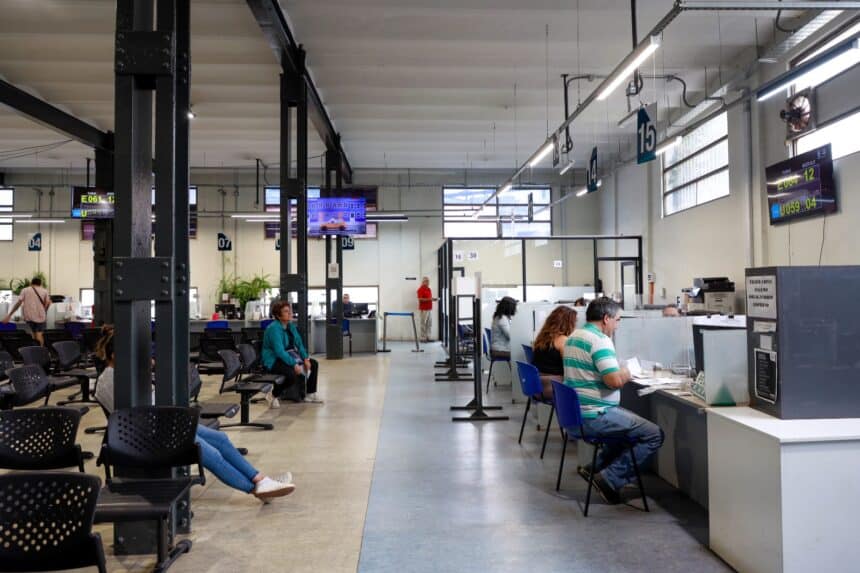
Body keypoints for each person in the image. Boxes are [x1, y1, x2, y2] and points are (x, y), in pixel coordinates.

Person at [94, 332, 295, 501]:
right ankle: (255, 489)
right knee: (211, 454)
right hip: (149, 438)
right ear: (115, 356)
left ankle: (260, 479)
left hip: (161, 425)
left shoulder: (123, 376)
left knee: (220, 438)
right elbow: (136, 414)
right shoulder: (111, 381)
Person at [563, 297, 664, 505]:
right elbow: (614, 381)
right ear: (606, 319)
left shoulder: (574, 336)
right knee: (653, 434)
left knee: (625, 432)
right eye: (617, 320)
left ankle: (595, 469)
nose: (618, 326)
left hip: (576, 415)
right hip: (595, 416)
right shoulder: (599, 340)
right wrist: (629, 370)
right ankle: (609, 479)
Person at [262, 300, 321, 404]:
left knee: (313, 364)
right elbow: (279, 351)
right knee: (291, 374)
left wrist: (305, 358)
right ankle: (273, 394)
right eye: (286, 311)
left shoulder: (290, 326)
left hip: (288, 356)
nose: (290, 313)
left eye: (290, 311)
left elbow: (299, 343)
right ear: (278, 315)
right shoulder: (274, 329)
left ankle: (310, 394)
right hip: (273, 359)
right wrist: (293, 364)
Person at [531, 306, 577, 398]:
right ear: (569, 323)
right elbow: (570, 368)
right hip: (552, 386)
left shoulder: (542, 338)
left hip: (537, 385)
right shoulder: (563, 340)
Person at [2, 277, 51, 346]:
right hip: (41, 317)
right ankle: (40, 350)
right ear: (40, 284)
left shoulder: (25, 290)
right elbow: (48, 303)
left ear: (31, 283)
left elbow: (19, 303)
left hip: (29, 316)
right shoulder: (44, 291)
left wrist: (10, 314)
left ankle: (35, 349)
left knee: (33, 334)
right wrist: (44, 310)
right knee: (39, 334)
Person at [416, 276, 435, 343]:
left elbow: (429, 298)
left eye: (428, 281)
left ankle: (428, 337)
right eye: (426, 281)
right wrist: (429, 299)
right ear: (423, 282)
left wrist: (433, 299)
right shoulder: (420, 289)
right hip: (423, 309)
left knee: (429, 323)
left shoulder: (429, 289)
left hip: (429, 309)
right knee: (423, 323)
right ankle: (423, 338)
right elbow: (420, 299)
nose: (428, 282)